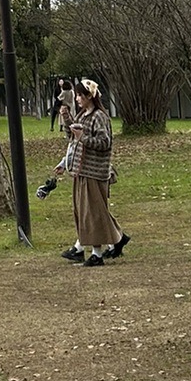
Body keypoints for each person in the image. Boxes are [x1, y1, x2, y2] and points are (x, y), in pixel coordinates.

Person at [67, 79, 128, 267]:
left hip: (95, 172)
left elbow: (104, 143)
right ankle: (117, 239)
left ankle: (97, 253)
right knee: (87, 213)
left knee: (93, 214)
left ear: (90, 96)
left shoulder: (99, 117)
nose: (77, 98)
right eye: (76, 95)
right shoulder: (83, 115)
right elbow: (74, 140)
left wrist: (82, 137)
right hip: (81, 171)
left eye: (80, 95)